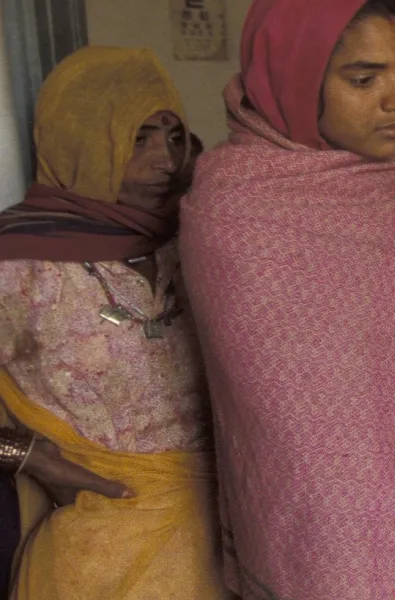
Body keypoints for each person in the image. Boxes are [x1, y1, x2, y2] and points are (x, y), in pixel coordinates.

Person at [178, 1, 395, 598]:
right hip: (319, 541)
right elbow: (286, 427)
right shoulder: (234, 209)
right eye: (363, 78)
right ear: (296, 77)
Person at [0, 46, 227, 598]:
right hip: (93, 550)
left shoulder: (199, 239)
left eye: (175, 138)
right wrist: (28, 458)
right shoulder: (16, 262)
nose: (165, 162)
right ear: (76, 137)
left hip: (224, 539)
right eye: (136, 138)